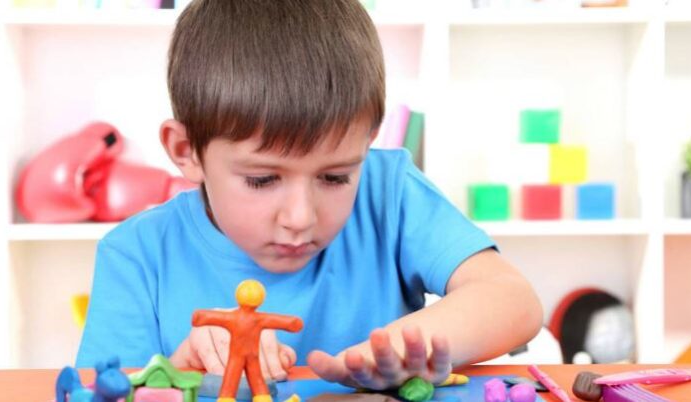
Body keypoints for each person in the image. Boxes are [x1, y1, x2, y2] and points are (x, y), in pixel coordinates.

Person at [77, 0, 543, 395]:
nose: (300, 218)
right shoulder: (136, 254)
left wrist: (402, 347)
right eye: (262, 180)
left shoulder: (389, 193)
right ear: (186, 151)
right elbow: (104, 391)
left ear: (367, 141)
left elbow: (513, 300)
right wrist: (179, 372)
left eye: (335, 177)